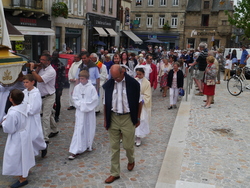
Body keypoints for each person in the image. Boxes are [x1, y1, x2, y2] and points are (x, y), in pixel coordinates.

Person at [103, 64, 142, 184]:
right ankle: (115, 173)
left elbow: (140, 102)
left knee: (128, 145)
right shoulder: (109, 85)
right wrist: (105, 120)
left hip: (128, 118)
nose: (115, 80)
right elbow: (105, 103)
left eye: (117, 77)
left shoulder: (133, 84)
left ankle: (131, 159)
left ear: (122, 72)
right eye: (113, 77)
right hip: (114, 117)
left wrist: (138, 118)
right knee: (114, 148)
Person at [2, 89, 35, 188]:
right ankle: (26, 169)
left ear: (10, 99)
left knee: (17, 156)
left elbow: (9, 128)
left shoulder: (12, 113)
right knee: (25, 153)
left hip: (16, 136)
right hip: (24, 132)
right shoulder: (24, 106)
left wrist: (4, 121)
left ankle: (22, 178)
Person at [68, 70, 99, 160]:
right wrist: (81, 105)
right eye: (80, 78)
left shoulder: (92, 88)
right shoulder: (77, 87)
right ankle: (75, 149)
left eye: (82, 79)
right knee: (79, 129)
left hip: (89, 112)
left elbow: (94, 100)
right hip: (80, 111)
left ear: (87, 79)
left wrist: (85, 106)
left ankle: (88, 144)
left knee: (89, 127)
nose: (81, 80)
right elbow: (74, 98)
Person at [30, 53, 58, 142]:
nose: (41, 61)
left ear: (48, 61)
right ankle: (55, 129)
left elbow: (39, 80)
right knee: (48, 115)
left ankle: (45, 138)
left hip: (49, 96)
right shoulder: (41, 68)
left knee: (45, 116)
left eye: (43, 60)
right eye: (40, 59)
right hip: (40, 95)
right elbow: (33, 77)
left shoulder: (51, 71)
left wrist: (32, 70)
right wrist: (37, 68)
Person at [22, 74, 47, 158]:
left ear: (33, 82)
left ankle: (43, 146)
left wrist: (26, 108)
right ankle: (30, 153)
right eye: (24, 82)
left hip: (33, 117)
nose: (25, 84)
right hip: (26, 117)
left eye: (27, 82)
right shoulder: (24, 92)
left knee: (35, 135)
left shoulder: (36, 93)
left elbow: (35, 108)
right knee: (27, 136)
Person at [135, 68, 151, 147]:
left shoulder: (147, 83)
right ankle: (134, 134)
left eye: (140, 74)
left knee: (141, 119)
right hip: (134, 102)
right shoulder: (135, 80)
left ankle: (139, 136)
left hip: (142, 103)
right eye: (137, 74)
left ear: (143, 74)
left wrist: (142, 100)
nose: (139, 76)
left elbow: (148, 94)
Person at [50, 51, 66, 122]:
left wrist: (61, 89)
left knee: (57, 101)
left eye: (55, 55)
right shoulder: (49, 64)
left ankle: (57, 116)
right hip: (50, 86)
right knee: (50, 101)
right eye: (53, 55)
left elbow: (63, 77)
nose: (54, 57)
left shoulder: (61, 65)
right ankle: (50, 113)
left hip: (57, 85)